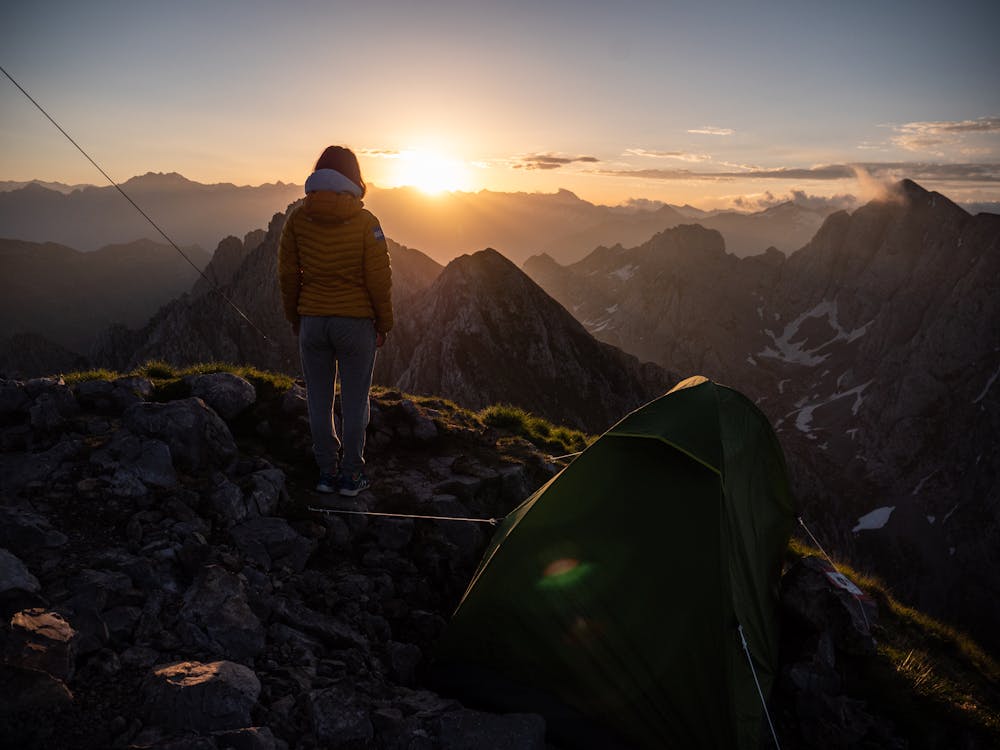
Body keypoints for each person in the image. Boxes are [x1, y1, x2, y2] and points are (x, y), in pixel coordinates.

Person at [278, 146, 393, 496]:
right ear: (353, 176)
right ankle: (352, 475)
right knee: (356, 402)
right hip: (355, 323)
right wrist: (383, 323)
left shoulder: (297, 219)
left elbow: (287, 274)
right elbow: (379, 278)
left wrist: (296, 317)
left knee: (318, 399)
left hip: (313, 320)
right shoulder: (366, 222)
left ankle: (327, 473)